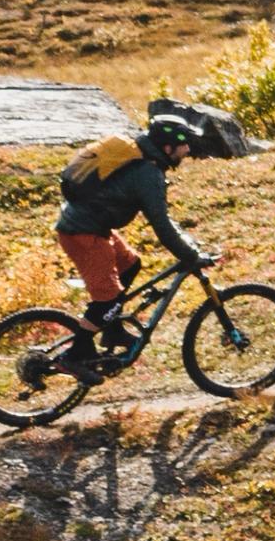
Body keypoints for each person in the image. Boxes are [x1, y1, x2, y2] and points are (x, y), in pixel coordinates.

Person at [59, 112, 210, 357]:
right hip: (83, 233)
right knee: (108, 299)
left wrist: (187, 244)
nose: (188, 150)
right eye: (184, 145)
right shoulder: (147, 174)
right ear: (168, 147)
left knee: (129, 264)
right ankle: (77, 352)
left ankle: (112, 329)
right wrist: (190, 255)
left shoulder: (144, 161)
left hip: (89, 225)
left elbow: (162, 218)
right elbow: (161, 225)